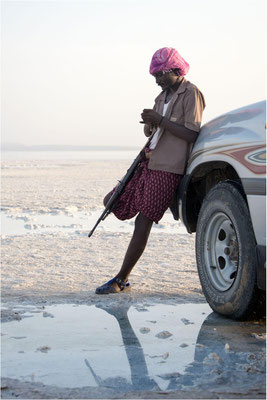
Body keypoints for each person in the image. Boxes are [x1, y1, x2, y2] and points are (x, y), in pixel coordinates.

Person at [95, 47, 205, 294]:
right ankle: (121, 278)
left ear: (174, 70)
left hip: (168, 167)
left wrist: (161, 120)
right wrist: (149, 124)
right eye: (154, 75)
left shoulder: (191, 93)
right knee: (111, 201)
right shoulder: (162, 97)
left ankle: (121, 279)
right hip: (147, 161)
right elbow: (154, 132)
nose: (156, 80)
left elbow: (192, 133)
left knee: (143, 222)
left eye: (160, 74)